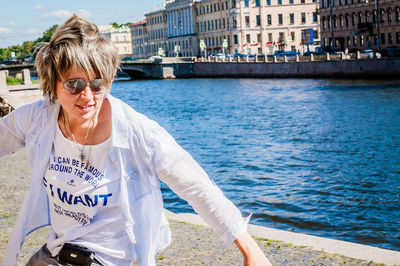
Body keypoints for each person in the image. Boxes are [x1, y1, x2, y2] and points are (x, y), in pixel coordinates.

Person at [0, 15, 272, 266]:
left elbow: (198, 188)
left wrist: (250, 250)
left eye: (97, 84)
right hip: (55, 253)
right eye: (74, 85)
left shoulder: (138, 133)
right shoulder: (38, 118)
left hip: (108, 261)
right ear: (52, 83)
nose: (88, 96)